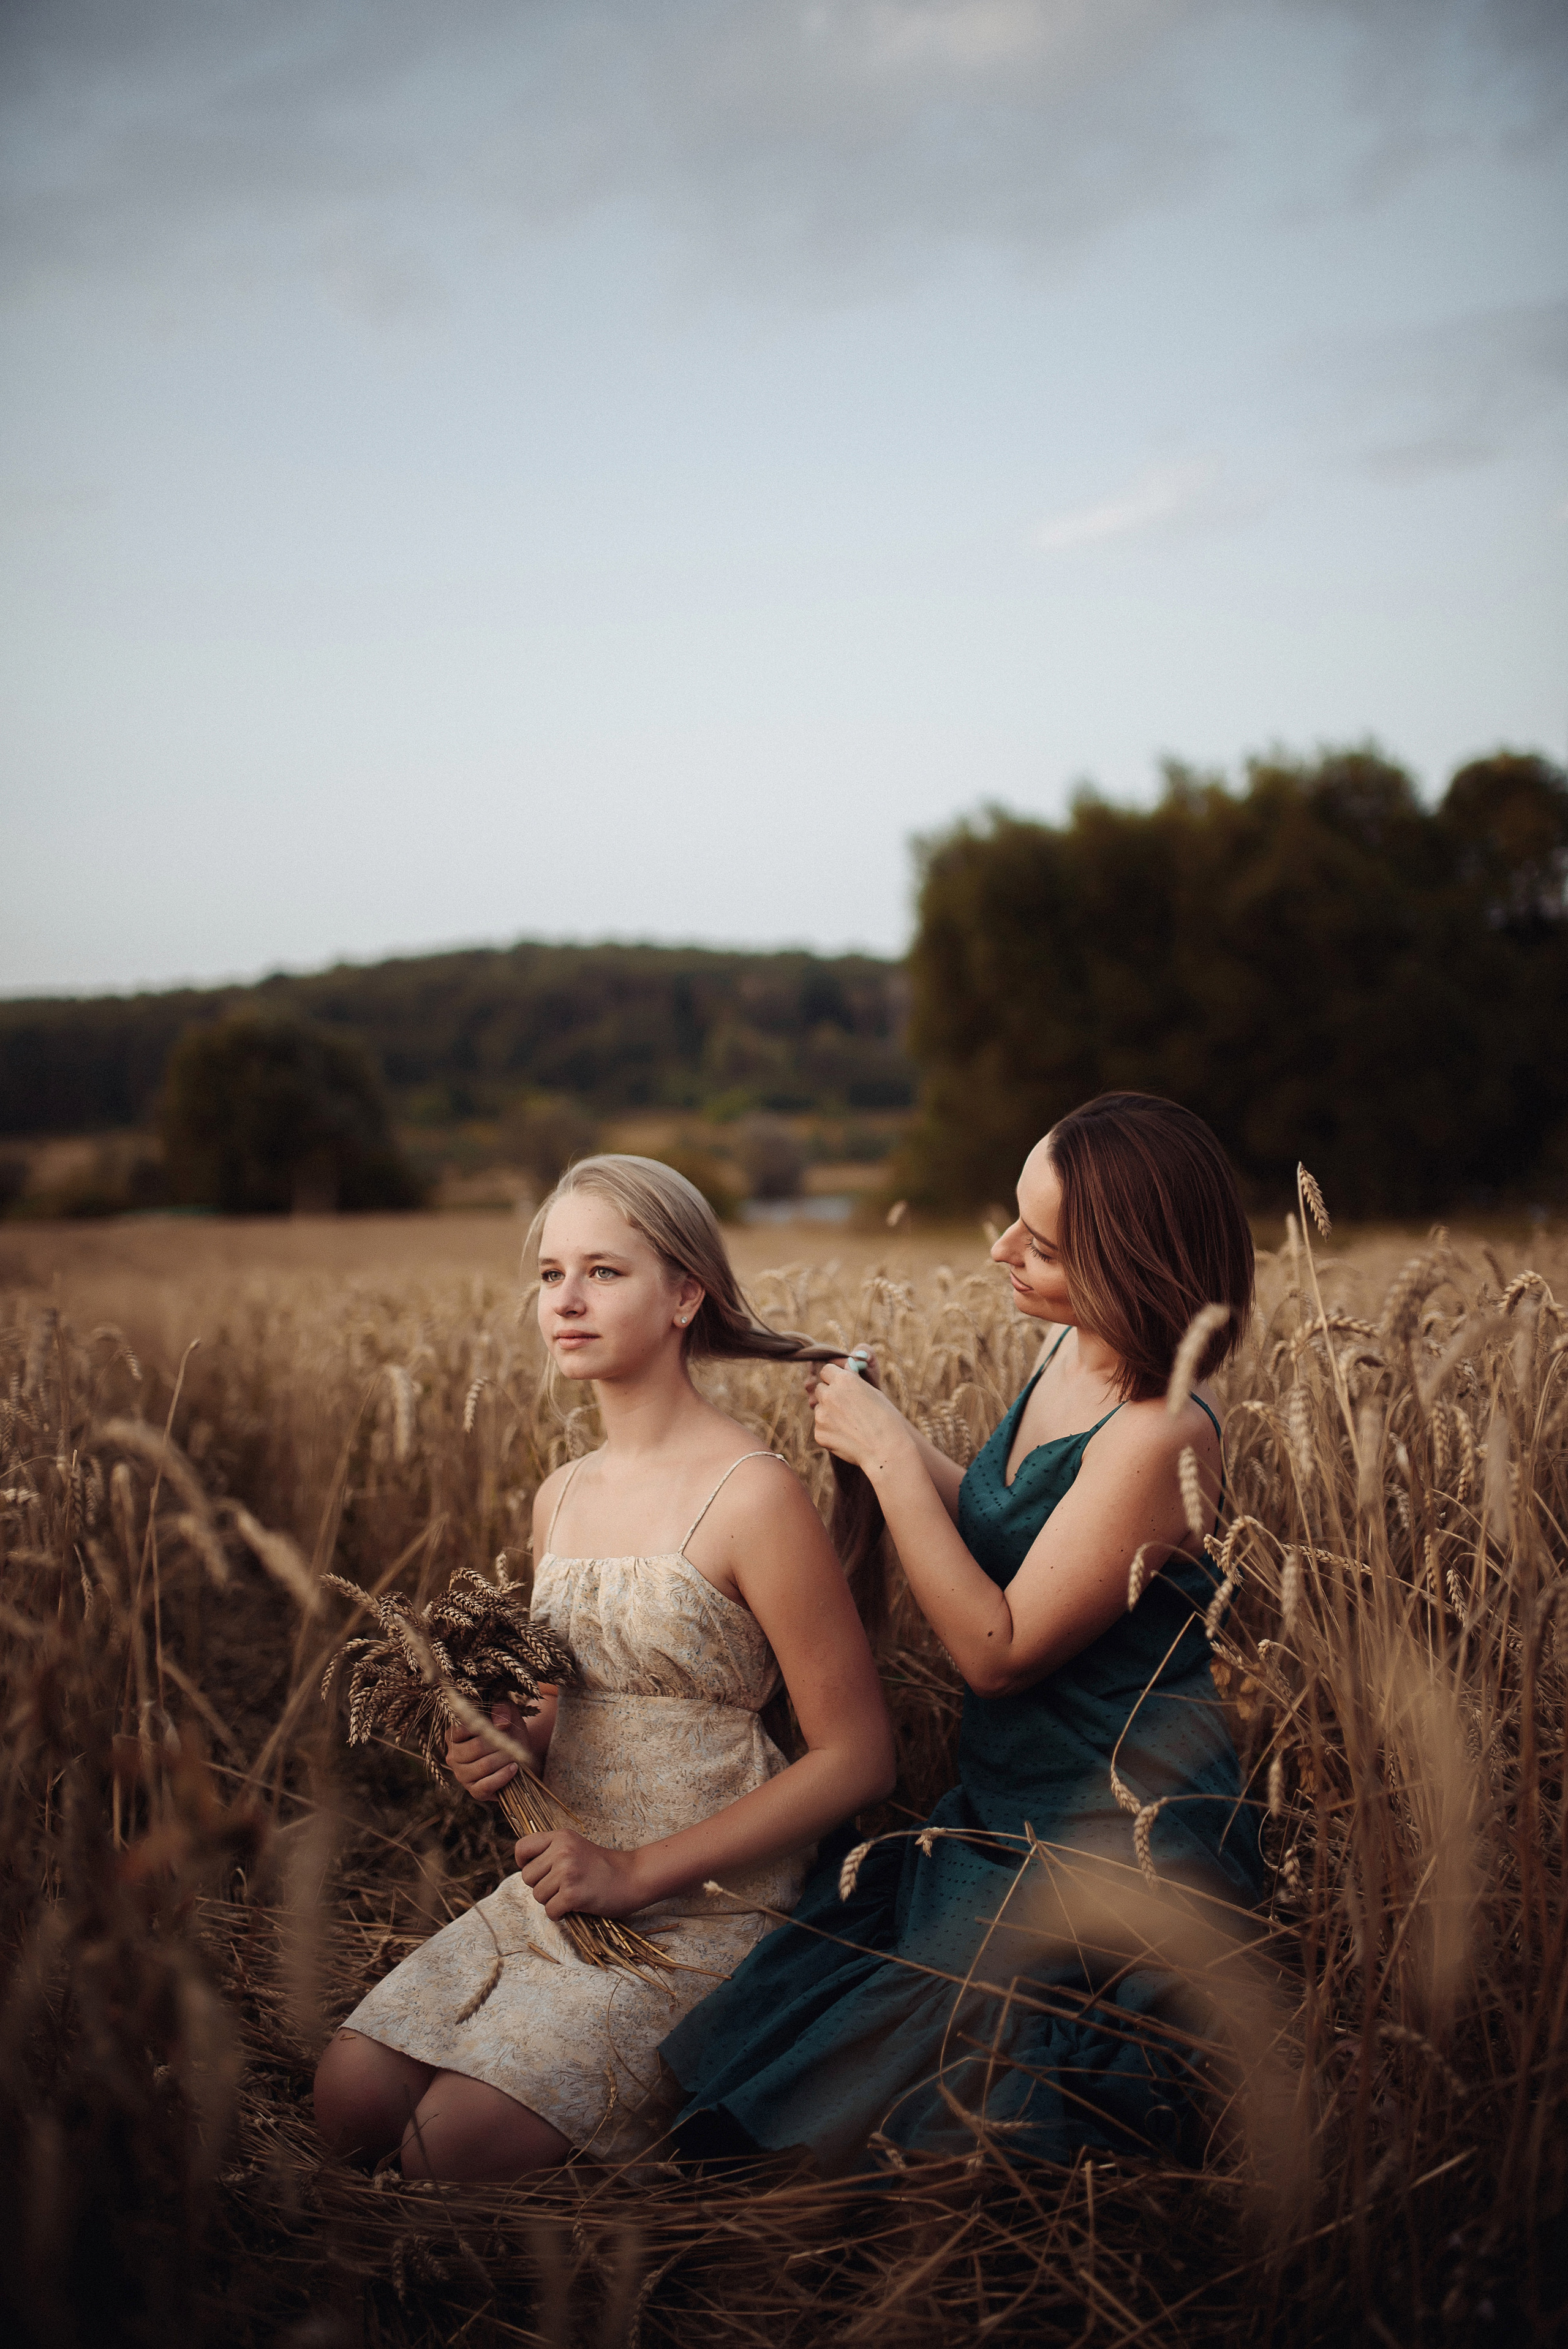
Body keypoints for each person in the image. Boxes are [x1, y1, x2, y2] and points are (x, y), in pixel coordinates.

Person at [660, 1092, 1264, 2172]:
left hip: (1112, 1825)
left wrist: (892, 1457)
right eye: (1015, 1216)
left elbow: (999, 1649)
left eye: (1043, 1245)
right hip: (1007, 1800)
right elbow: (1005, 1527)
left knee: (930, 2086)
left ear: (1130, 1268)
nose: (1002, 1249)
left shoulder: (1161, 1429)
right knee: (822, 2017)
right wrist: (888, 1436)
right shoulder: (1071, 1347)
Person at [314, 1156, 895, 2181]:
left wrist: (635, 1872)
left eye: (603, 1272)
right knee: (345, 2100)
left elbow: (859, 1757)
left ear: (685, 1295)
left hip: (706, 1907)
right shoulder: (562, 1495)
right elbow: (571, 1702)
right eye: (551, 1274)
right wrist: (509, 1742)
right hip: (565, 1894)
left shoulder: (753, 1494)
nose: (566, 1300)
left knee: (446, 2149)